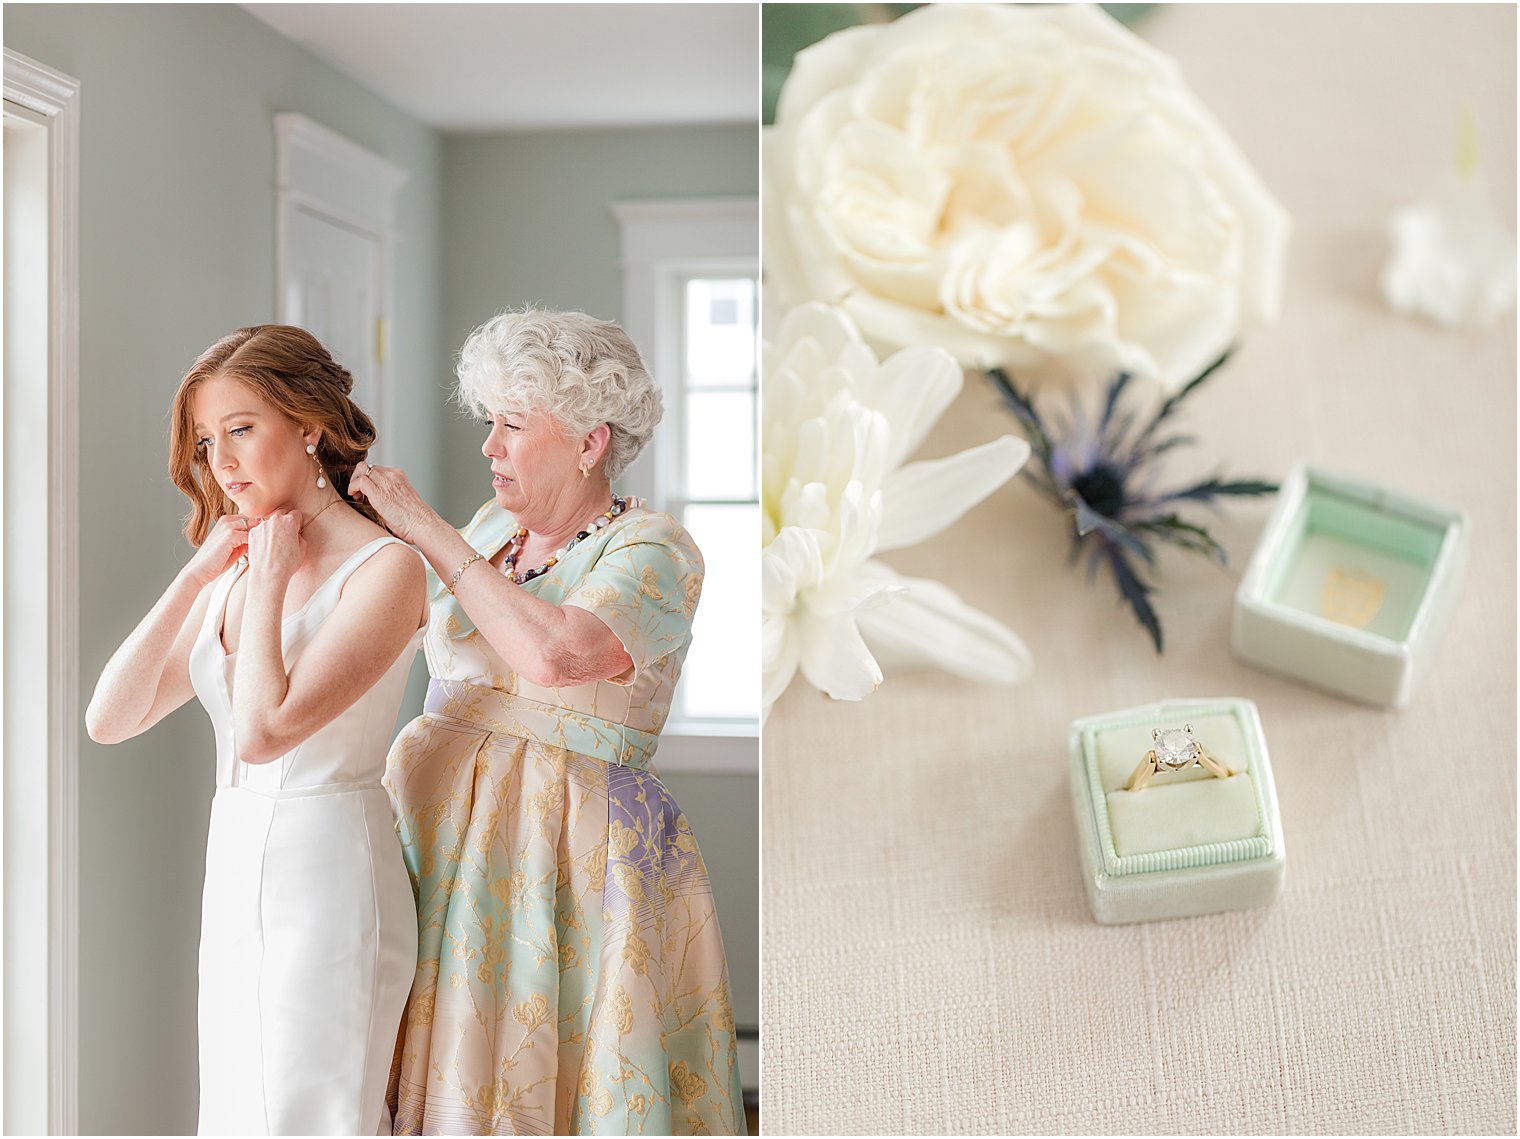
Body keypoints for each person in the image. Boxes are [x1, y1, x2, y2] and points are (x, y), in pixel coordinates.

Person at [348, 308, 742, 1135]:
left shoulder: (655, 550)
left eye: (513, 425)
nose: (490, 446)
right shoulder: (492, 532)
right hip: (440, 837)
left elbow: (558, 654)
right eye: (489, 422)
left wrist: (425, 530)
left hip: (566, 854)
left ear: (591, 441)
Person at [85, 325, 427, 1135]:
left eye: (241, 428)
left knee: (313, 1110)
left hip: (331, 871)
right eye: (207, 441)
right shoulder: (233, 572)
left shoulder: (385, 569)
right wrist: (201, 571)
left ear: (308, 425)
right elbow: (110, 716)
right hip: (236, 863)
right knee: (241, 1109)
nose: (221, 462)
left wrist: (269, 580)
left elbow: (264, 730)